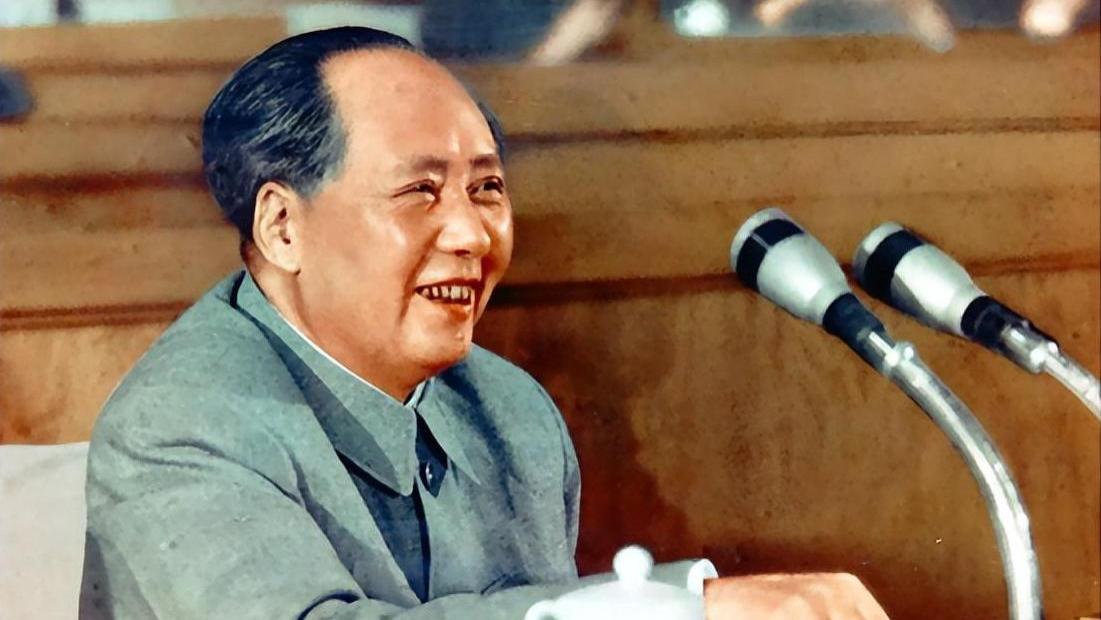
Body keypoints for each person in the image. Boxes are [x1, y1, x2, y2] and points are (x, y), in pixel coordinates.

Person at [78, 26, 888, 619]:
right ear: (283, 227)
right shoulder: (179, 425)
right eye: (419, 192)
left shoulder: (509, 409)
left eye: (487, 189)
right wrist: (681, 609)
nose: (470, 234)